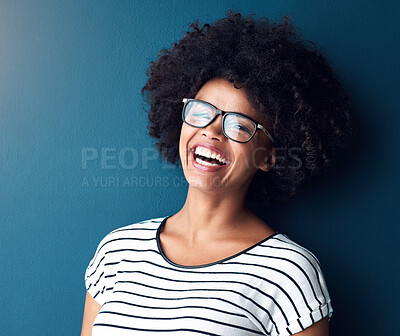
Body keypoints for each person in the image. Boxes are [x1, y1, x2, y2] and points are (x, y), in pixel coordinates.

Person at [81, 11, 354, 336]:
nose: (212, 132)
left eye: (238, 125)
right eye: (200, 112)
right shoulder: (117, 252)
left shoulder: (288, 272)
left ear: (269, 156)